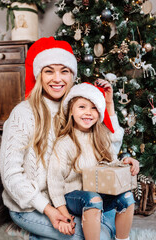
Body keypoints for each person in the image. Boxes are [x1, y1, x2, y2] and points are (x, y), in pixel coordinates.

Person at [0, 36, 129, 240]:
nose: (57, 79)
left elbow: (104, 150)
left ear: (72, 75)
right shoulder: (22, 114)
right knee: (102, 236)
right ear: (39, 75)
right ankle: (32, 232)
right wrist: (49, 210)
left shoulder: (76, 108)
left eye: (64, 71)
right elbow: (11, 175)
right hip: (31, 206)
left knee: (114, 223)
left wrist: (109, 109)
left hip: (69, 199)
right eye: (49, 71)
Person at [48, 82, 140, 240]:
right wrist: (64, 215)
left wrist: (126, 161)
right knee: (93, 198)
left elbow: (111, 161)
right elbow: (54, 181)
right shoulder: (65, 142)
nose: (88, 113)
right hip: (72, 196)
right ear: (71, 111)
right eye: (82, 107)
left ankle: (123, 238)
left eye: (94, 108)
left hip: (97, 194)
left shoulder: (100, 137)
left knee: (126, 198)